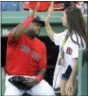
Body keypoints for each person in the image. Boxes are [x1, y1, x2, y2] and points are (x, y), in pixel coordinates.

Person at [4, 2, 55, 96]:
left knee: (50, 93)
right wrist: (30, 17)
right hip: (13, 79)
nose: (39, 27)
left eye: (40, 26)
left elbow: (42, 69)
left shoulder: (41, 45)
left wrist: (36, 80)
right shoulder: (17, 38)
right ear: (28, 24)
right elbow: (14, 34)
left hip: (32, 79)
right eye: (36, 24)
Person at [45, 2, 87, 96]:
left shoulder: (76, 37)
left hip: (75, 74)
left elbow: (77, 62)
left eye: (63, 16)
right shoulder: (66, 33)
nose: (62, 18)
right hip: (66, 71)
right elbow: (53, 36)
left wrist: (71, 80)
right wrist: (47, 20)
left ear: (70, 19)